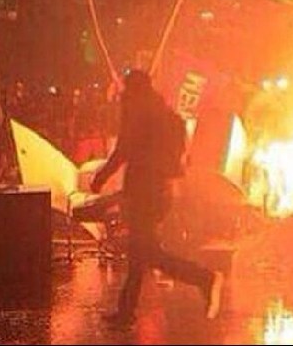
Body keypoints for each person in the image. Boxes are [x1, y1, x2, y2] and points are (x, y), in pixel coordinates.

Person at [91, 69, 224, 327]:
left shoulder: (139, 112)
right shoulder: (164, 113)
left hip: (144, 192)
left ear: (133, 90)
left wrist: (101, 178)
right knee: (140, 253)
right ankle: (126, 311)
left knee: (148, 253)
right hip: (160, 191)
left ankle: (205, 278)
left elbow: (124, 149)